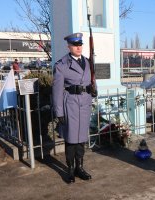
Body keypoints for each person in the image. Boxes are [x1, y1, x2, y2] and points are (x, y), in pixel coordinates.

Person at [52, 33, 93, 183]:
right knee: (71, 140)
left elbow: (92, 81)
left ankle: (79, 168)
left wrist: (95, 91)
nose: (78, 47)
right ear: (69, 46)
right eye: (75, 45)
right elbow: (56, 91)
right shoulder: (61, 65)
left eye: (80, 44)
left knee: (81, 139)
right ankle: (69, 170)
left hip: (85, 104)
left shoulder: (88, 62)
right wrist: (59, 112)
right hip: (71, 105)